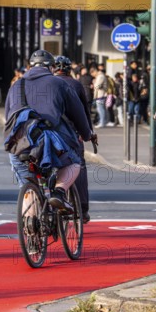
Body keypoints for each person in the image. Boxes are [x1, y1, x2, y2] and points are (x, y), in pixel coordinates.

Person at [6, 50, 94, 214]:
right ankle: (59, 193)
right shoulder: (59, 84)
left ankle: (30, 223)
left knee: (28, 183)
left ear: (29, 66)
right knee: (74, 162)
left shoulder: (16, 85)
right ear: (51, 67)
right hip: (49, 142)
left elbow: (8, 117)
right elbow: (78, 113)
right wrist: (87, 134)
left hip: (19, 144)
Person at [53, 55, 94, 222]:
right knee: (79, 167)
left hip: (50, 133)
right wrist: (88, 133)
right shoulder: (76, 85)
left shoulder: (49, 83)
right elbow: (84, 112)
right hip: (72, 134)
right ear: (69, 69)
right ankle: (82, 209)